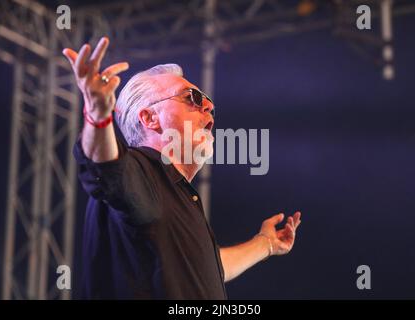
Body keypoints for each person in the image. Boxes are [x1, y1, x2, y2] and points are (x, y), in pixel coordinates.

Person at [63, 37, 302, 299]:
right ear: (150, 118)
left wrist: (265, 244)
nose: (209, 107)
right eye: (193, 98)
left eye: (207, 101)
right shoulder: (142, 172)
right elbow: (107, 170)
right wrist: (97, 115)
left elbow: (208, 269)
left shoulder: (175, 193)